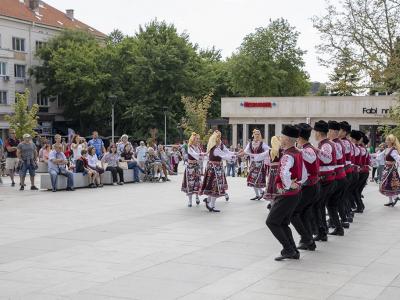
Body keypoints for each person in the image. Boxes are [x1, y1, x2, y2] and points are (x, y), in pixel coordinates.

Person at [266, 125, 307, 261]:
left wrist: (287, 185)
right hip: (296, 193)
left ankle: (289, 249)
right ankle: (292, 250)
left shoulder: (287, 155)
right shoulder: (299, 152)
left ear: (287, 139)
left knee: (271, 221)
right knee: (282, 222)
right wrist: (298, 182)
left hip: (287, 194)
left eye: (282, 136)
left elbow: (284, 173)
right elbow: (304, 172)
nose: (280, 138)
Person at [291, 123, 320, 251]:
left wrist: (296, 149)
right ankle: (308, 240)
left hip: (309, 187)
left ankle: (307, 238)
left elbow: (310, 158)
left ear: (298, 137)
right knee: (303, 214)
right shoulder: (308, 148)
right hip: (311, 186)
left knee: (293, 213)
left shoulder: (307, 150)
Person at [200, 130, 237, 212]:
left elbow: (227, 152)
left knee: (214, 186)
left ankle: (209, 202)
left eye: (220, 136)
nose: (219, 138)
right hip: (214, 169)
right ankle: (211, 205)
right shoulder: (215, 149)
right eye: (218, 137)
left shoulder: (220, 145)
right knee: (215, 186)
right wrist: (235, 156)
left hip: (217, 168)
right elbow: (224, 156)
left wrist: (235, 153)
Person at [312, 120, 337, 242]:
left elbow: (327, 159)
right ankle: (322, 230)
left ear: (318, 132)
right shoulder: (328, 144)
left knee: (317, 205)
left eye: (315, 132)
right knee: (320, 205)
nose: (314, 134)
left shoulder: (326, 144)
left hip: (325, 179)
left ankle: (321, 231)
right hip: (328, 178)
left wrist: (315, 150)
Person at [326, 120, 347, 235]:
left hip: (338, 176)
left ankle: (338, 227)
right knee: (333, 203)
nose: (327, 133)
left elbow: (334, 159)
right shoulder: (337, 143)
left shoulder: (335, 144)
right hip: (341, 175)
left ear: (333, 132)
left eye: (328, 131)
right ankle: (336, 224)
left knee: (331, 204)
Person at [244, 129, 270, 200]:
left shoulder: (262, 144)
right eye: (256, 134)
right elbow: (245, 151)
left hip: (260, 164)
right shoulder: (250, 144)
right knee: (252, 180)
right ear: (253, 135)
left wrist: (262, 155)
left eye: (258, 134)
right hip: (253, 164)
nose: (257, 135)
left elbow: (269, 150)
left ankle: (261, 193)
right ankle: (258, 194)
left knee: (257, 180)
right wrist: (244, 154)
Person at [181, 132, 204, 207]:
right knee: (190, 183)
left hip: (196, 166)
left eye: (198, 139)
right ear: (193, 139)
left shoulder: (199, 147)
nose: (198, 140)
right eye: (197, 139)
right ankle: (190, 201)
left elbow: (201, 157)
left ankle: (197, 197)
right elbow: (194, 154)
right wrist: (201, 155)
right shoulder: (190, 146)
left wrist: (204, 155)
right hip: (190, 167)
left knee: (197, 182)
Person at [339, 121, 355, 224]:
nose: (337, 132)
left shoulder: (343, 143)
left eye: (339, 130)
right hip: (348, 171)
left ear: (344, 132)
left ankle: (345, 217)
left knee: (341, 196)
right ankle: (347, 214)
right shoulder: (348, 142)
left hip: (345, 171)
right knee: (344, 195)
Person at [379, 134, 400, 207]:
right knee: (386, 185)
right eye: (386, 140)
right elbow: (379, 155)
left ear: (391, 141)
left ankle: (395, 197)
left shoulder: (393, 150)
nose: (386, 141)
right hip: (386, 168)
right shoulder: (387, 149)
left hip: (391, 170)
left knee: (389, 184)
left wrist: (396, 164)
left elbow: (398, 159)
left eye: (388, 140)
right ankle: (391, 201)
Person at [263, 136, 282, 203]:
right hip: (280, 170)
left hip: (272, 170)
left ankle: (272, 203)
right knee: (278, 184)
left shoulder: (270, 151)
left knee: (272, 184)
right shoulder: (283, 150)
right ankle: (278, 201)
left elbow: (260, 155)